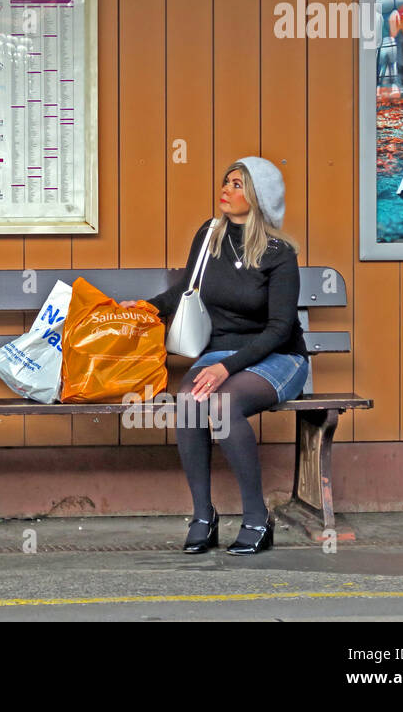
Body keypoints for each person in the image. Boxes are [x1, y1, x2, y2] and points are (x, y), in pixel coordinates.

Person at [132, 157, 309, 556]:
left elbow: (280, 329)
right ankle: (202, 516)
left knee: (224, 404)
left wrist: (226, 366)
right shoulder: (209, 235)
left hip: (277, 357)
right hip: (221, 352)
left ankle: (256, 517)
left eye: (237, 184)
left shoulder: (280, 254)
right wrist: (144, 308)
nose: (226, 190)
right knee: (190, 403)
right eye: (226, 182)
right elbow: (184, 291)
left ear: (258, 197)